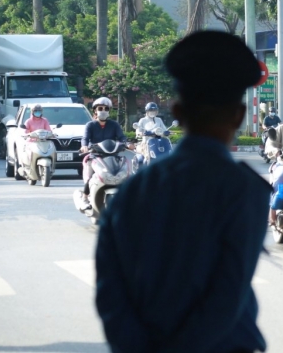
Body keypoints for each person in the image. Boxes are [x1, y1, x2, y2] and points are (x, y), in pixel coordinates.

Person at [95, 30, 271, 353]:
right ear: (239, 116)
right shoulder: (245, 192)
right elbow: (227, 297)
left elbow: (110, 293)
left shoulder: (132, 192)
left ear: (175, 111)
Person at [77, 97, 126, 211]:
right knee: (90, 177)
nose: (103, 110)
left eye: (106, 108)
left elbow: (122, 137)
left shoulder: (114, 125)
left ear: (109, 111)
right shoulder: (90, 125)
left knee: (124, 174)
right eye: (100, 108)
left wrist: (126, 143)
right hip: (95, 156)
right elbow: (85, 138)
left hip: (112, 156)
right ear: (95, 110)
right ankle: (85, 198)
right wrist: (84, 146)